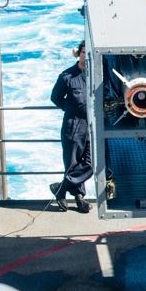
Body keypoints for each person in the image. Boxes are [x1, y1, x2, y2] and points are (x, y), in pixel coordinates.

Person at [50, 40, 93, 214]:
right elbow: (56, 97)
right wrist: (70, 109)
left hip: (90, 124)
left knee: (92, 162)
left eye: (89, 53)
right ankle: (79, 198)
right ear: (79, 53)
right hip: (73, 124)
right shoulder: (67, 76)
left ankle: (61, 188)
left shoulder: (96, 74)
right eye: (84, 52)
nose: (86, 56)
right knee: (72, 163)